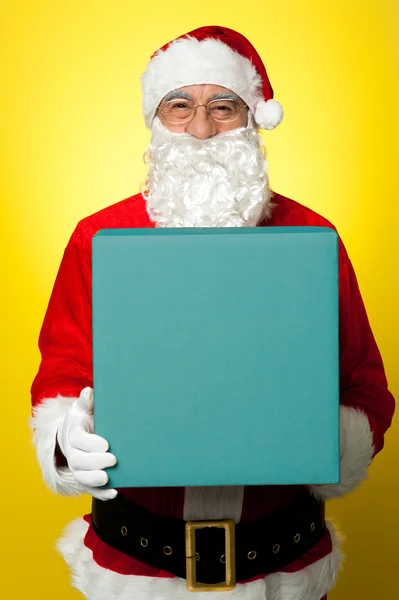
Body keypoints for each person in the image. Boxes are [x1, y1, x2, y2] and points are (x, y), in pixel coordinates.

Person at [30, 25, 395, 600]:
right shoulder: (98, 236)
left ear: (252, 118)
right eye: (180, 106)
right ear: (155, 117)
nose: (201, 129)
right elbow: (62, 371)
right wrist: (65, 439)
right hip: (136, 572)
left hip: (282, 570)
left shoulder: (312, 235)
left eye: (223, 107)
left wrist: (327, 441)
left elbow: (366, 387)